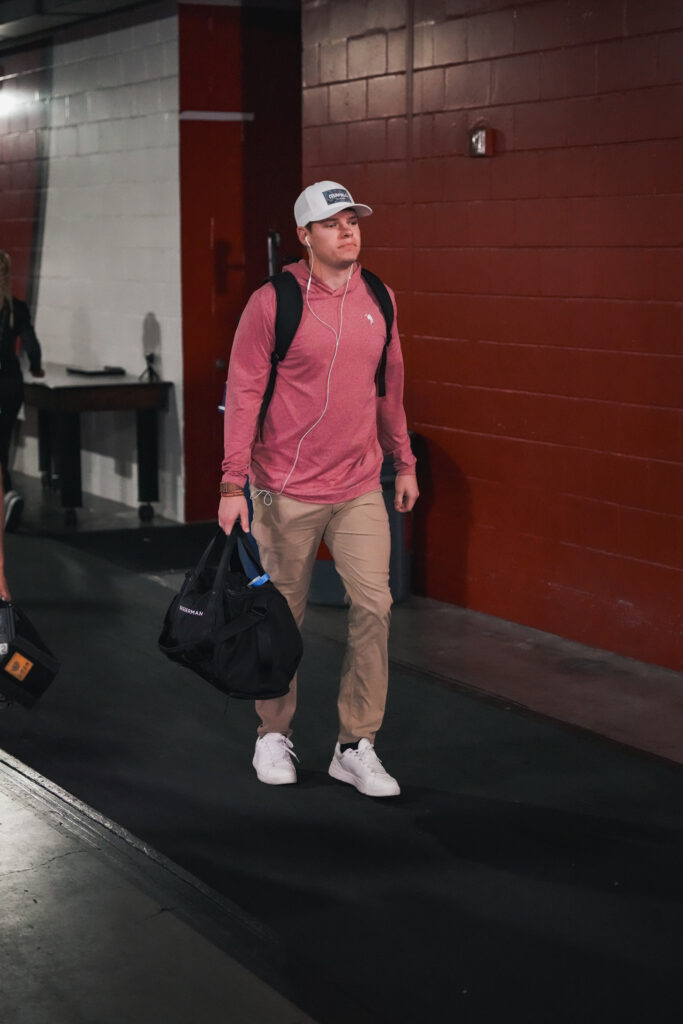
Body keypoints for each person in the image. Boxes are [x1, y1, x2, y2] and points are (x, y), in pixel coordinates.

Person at [218, 180, 419, 797]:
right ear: (305, 236)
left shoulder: (379, 297)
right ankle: (272, 733)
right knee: (282, 621)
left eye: (353, 220)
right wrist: (232, 483)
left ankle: (355, 745)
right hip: (284, 488)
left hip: (359, 484)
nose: (347, 230)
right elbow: (243, 392)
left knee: (375, 608)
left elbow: (390, 389)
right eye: (333, 223)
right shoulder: (272, 302)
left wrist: (404, 462)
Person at [0, 251, 45, 532]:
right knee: (2, 441)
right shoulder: (16, 308)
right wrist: (37, 368)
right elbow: (32, 345)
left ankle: (7, 494)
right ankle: (7, 496)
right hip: (10, 385)